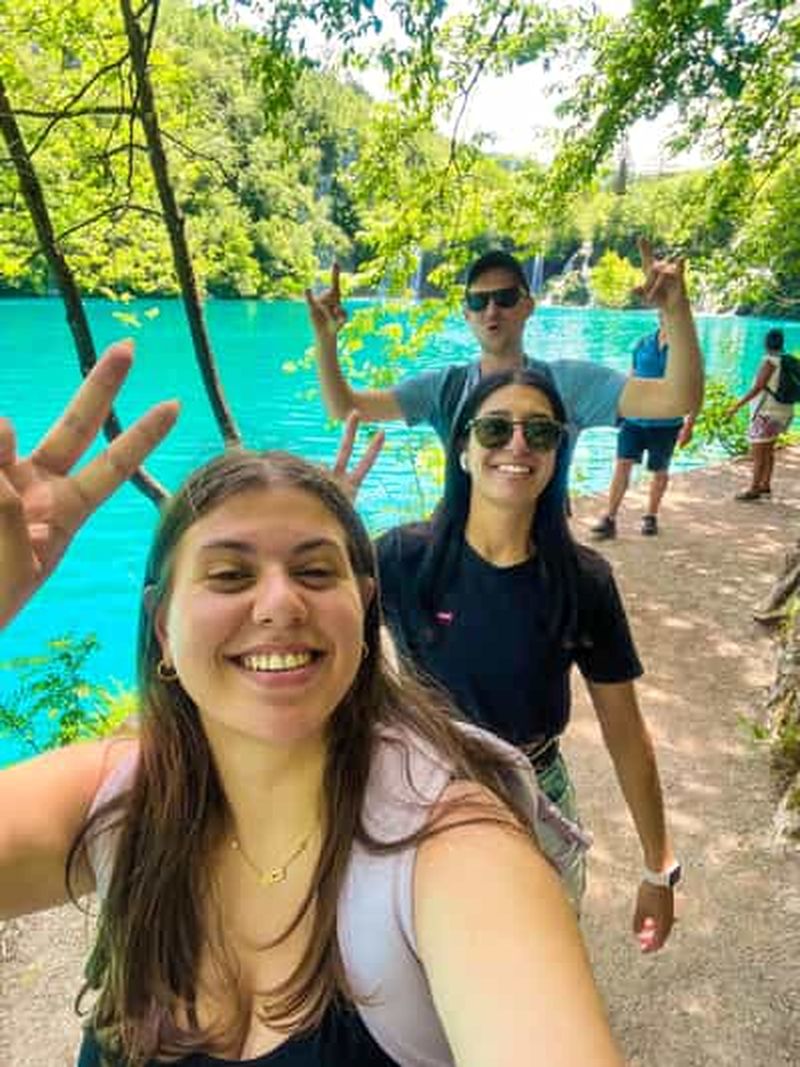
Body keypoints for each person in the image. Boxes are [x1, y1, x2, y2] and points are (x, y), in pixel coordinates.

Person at [0, 343, 625, 1067]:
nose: (280, 603)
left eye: (315, 571)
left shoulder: (452, 845)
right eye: (230, 574)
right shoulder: (113, 799)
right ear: (163, 627)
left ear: (363, 611)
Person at [364, 368, 680, 954]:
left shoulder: (583, 581)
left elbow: (625, 729)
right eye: (495, 429)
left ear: (557, 453)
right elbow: (310, 636)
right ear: (463, 449)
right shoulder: (403, 558)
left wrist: (658, 867)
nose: (517, 445)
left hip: (536, 791)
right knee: (423, 962)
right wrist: (322, 532)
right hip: (424, 788)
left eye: (540, 432)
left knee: (543, 954)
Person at [306, 239, 704, 461]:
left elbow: (677, 399)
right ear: (466, 315)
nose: (491, 310)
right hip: (461, 557)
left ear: (528, 306)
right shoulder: (444, 388)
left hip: (546, 559)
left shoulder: (570, 382)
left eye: (506, 298)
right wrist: (325, 341)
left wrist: (676, 309)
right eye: (479, 301)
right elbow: (346, 408)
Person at [591, 316, 697, 539]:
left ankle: (651, 516)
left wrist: (690, 424)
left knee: (660, 471)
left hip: (666, 423)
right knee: (622, 465)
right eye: (663, 313)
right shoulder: (642, 343)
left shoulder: (686, 350)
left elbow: (694, 388)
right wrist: (619, 409)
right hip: (634, 420)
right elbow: (631, 377)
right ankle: (609, 519)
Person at [727, 328, 795, 500]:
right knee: (768, 449)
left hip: (766, 413)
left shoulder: (769, 361)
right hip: (783, 410)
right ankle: (765, 485)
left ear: (766, 343)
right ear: (781, 343)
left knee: (758, 452)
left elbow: (758, 387)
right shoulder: (787, 360)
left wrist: (737, 406)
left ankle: (754, 489)